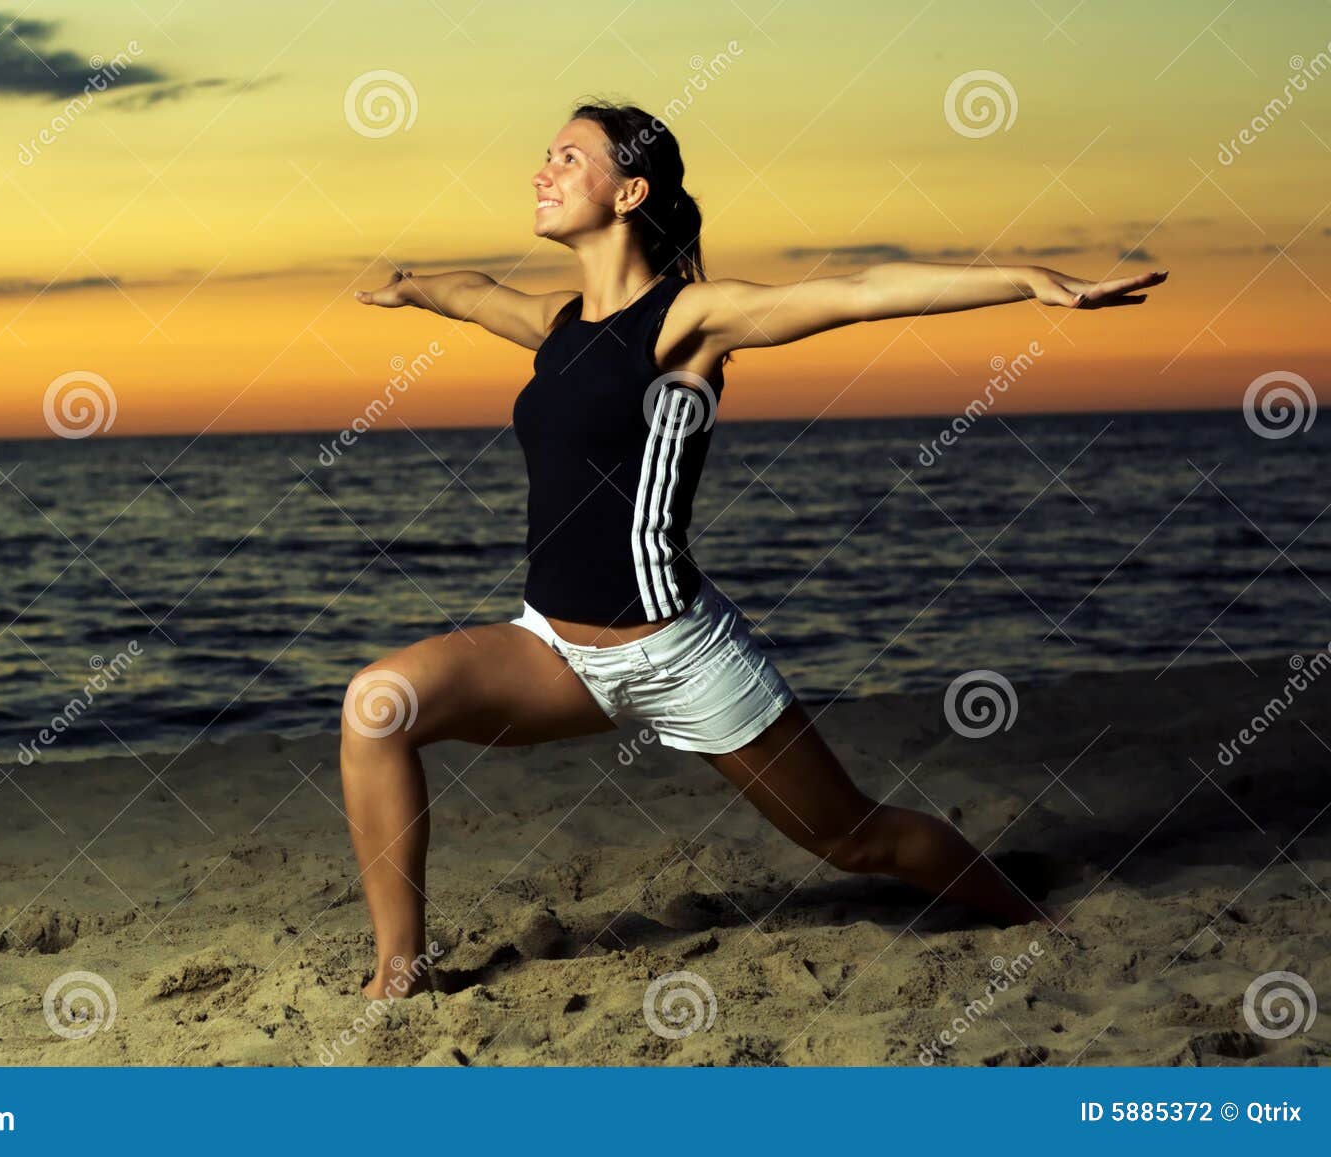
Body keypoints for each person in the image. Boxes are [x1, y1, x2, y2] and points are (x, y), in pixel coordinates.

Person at [345, 98, 1166, 1001]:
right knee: (376, 706)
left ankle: (1028, 913)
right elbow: (469, 294)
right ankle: (400, 969)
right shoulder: (556, 324)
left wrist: (1025, 278)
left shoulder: (691, 318)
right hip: (554, 649)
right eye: (546, 154)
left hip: (680, 653)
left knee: (853, 837)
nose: (542, 171)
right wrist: (410, 282)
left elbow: (852, 294)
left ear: (629, 192)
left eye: (568, 158)